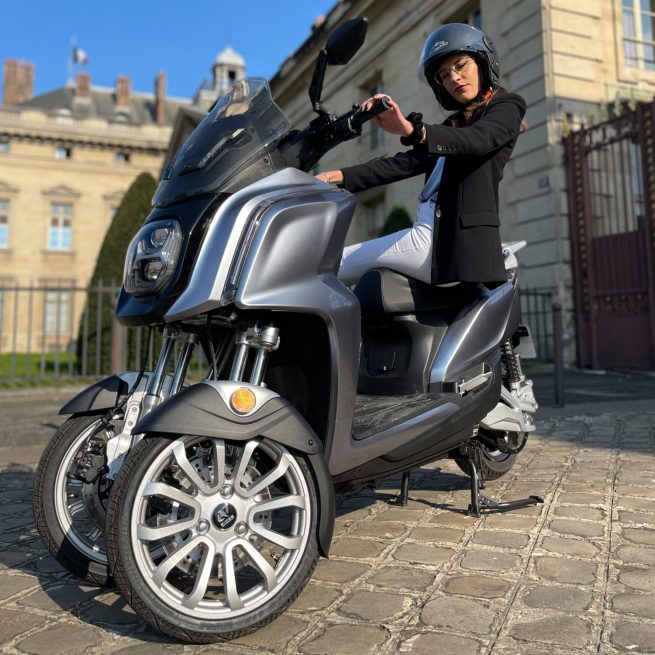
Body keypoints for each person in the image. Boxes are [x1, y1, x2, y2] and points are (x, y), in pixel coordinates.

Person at [316, 23, 526, 287]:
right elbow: (401, 164)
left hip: (448, 243)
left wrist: (408, 128)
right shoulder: (453, 127)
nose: (454, 78)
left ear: (483, 62)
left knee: (325, 269)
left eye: (460, 65)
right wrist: (331, 177)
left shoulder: (507, 106)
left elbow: (478, 140)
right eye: (444, 75)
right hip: (426, 234)